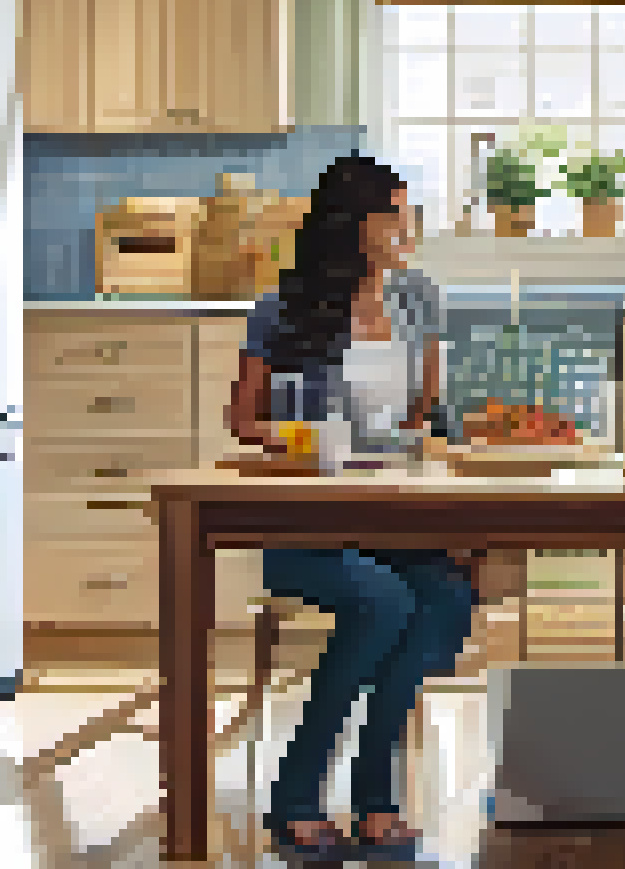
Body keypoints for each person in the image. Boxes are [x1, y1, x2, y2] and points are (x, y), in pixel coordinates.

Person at [227, 152, 476, 861]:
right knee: (383, 603)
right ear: (357, 223)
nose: (407, 224)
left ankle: (375, 801)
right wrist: (300, 433)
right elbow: (244, 419)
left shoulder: (418, 299)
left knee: (442, 598)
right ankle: (297, 798)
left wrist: (420, 433)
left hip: (394, 518)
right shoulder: (285, 309)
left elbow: (429, 409)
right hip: (309, 524)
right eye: (394, 211)